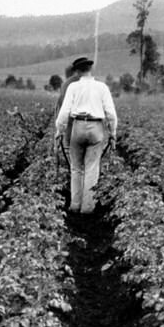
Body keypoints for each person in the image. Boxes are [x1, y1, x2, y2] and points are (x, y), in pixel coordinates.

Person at [55, 57, 117, 214]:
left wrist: (59, 131)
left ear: (76, 71)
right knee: (92, 168)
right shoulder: (102, 87)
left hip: (78, 126)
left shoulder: (73, 87)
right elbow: (111, 113)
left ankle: (75, 205)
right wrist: (113, 132)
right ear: (90, 70)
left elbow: (64, 112)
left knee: (76, 168)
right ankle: (88, 207)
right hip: (96, 127)